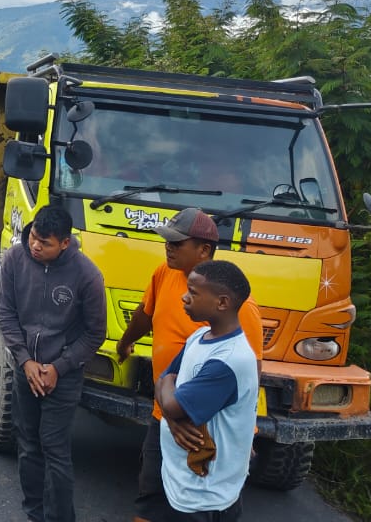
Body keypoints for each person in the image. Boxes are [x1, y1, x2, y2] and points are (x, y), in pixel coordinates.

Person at [114, 208, 264, 522]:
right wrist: (126, 340)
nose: (168, 247)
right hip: (164, 414)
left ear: (204, 250)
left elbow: (249, 374)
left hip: (201, 427)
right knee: (151, 494)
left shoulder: (241, 310)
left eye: (177, 243)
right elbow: (146, 312)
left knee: (198, 503)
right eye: (167, 241)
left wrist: (247, 434)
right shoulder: (163, 274)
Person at [0, 205, 107, 522]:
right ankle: (34, 512)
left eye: (45, 243)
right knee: (28, 443)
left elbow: (95, 332)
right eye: (34, 237)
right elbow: (6, 313)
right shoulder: (15, 260)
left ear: (64, 243)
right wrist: (25, 361)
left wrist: (60, 366)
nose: (35, 246)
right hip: (25, 369)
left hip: (64, 376)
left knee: (55, 449)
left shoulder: (87, 275)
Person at [155, 261, 260, 522]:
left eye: (193, 292)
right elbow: (161, 380)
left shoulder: (229, 360)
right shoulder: (199, 337)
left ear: (222, 303)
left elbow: (171, 403)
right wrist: (172, 417)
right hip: (182, 484)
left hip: (204, 498)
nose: (184, 297)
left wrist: (169, 401)